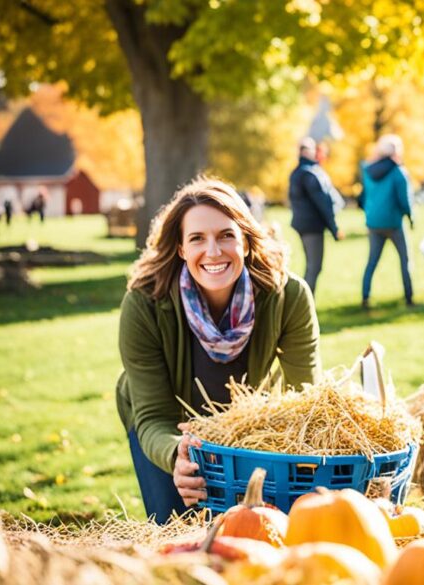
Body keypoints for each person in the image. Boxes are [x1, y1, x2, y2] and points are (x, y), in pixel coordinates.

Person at [116, 176, 322, 523]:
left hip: (246, 427)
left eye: (226, 235)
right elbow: (153, 416)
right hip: (166, 429)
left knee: (256, 527)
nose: (213, 252)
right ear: (181, 248)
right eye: (197, 239)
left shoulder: (288, 297)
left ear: (245, 241)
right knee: (177, 528)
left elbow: (305, 398)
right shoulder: (145, 304)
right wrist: (175, 455)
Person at [358, 134, 415, 310]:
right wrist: (410, 216)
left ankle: (365, 297)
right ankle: (409, 298)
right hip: (393, 222)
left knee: (372, 261)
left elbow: (365, 195)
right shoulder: (398, 172)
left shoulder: (368, 170)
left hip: (373, 222)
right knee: (405, 260)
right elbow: (404, 199)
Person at [289, 137, 342, 295]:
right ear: (307, 152)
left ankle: (302, 304)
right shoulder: (311, 173)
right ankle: (304, 305)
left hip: (301, 225)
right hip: (312, 227)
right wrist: (334, 228)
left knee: (310, 266)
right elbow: (323, 203)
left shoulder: (296, 173)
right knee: (314, 267)